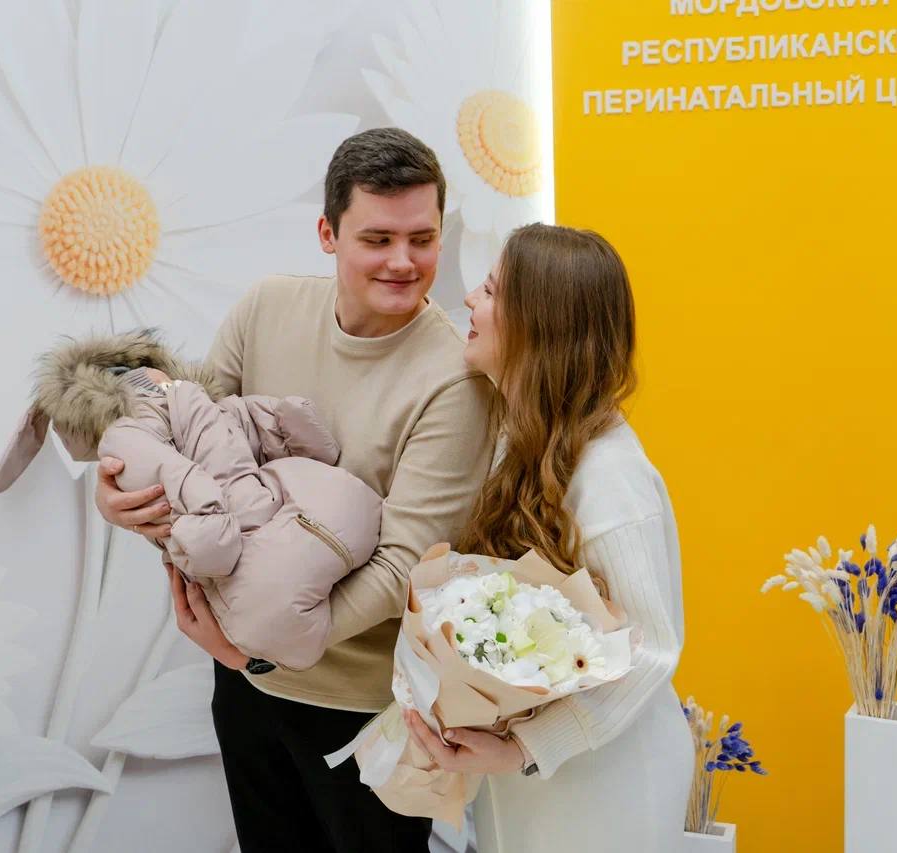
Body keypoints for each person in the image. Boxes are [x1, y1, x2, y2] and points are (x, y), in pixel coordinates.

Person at [95, 128, 494, 851]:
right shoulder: (265, 310)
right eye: (377, 239)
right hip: (245, 686)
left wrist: (261, 644)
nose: (403, 262)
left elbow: (406, 565)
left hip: (365, 709)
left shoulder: (455, 380)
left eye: (422, 239)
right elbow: (189, 439)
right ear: (327, 234)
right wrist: (116, 499)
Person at [403, 223, 692, 852]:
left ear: (539, 324)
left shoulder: (608, 476)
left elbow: (649, 652)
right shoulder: (519, 442)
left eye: (490, 290)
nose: (470, 300)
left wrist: (526, 747)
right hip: (535, 782)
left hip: (608, 786)